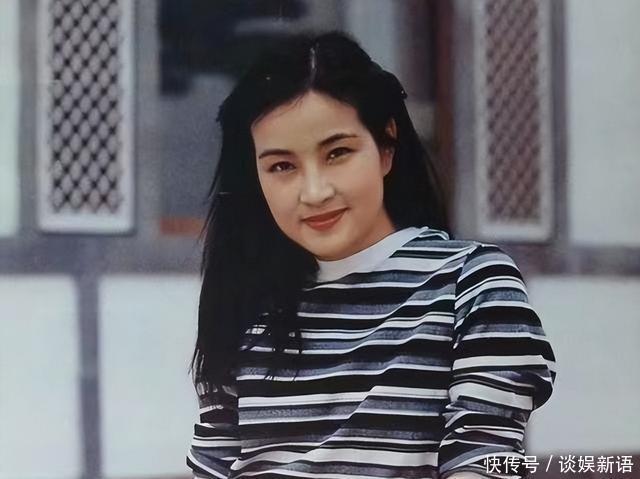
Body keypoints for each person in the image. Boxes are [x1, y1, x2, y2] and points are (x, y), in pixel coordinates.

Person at [186, 31, 556, 479]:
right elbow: (214, 464)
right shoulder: (246, 301)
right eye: (282, 166)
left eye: (337, 153)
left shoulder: (470, 284)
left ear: (385, 146)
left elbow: (484, 459)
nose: (314, 191)